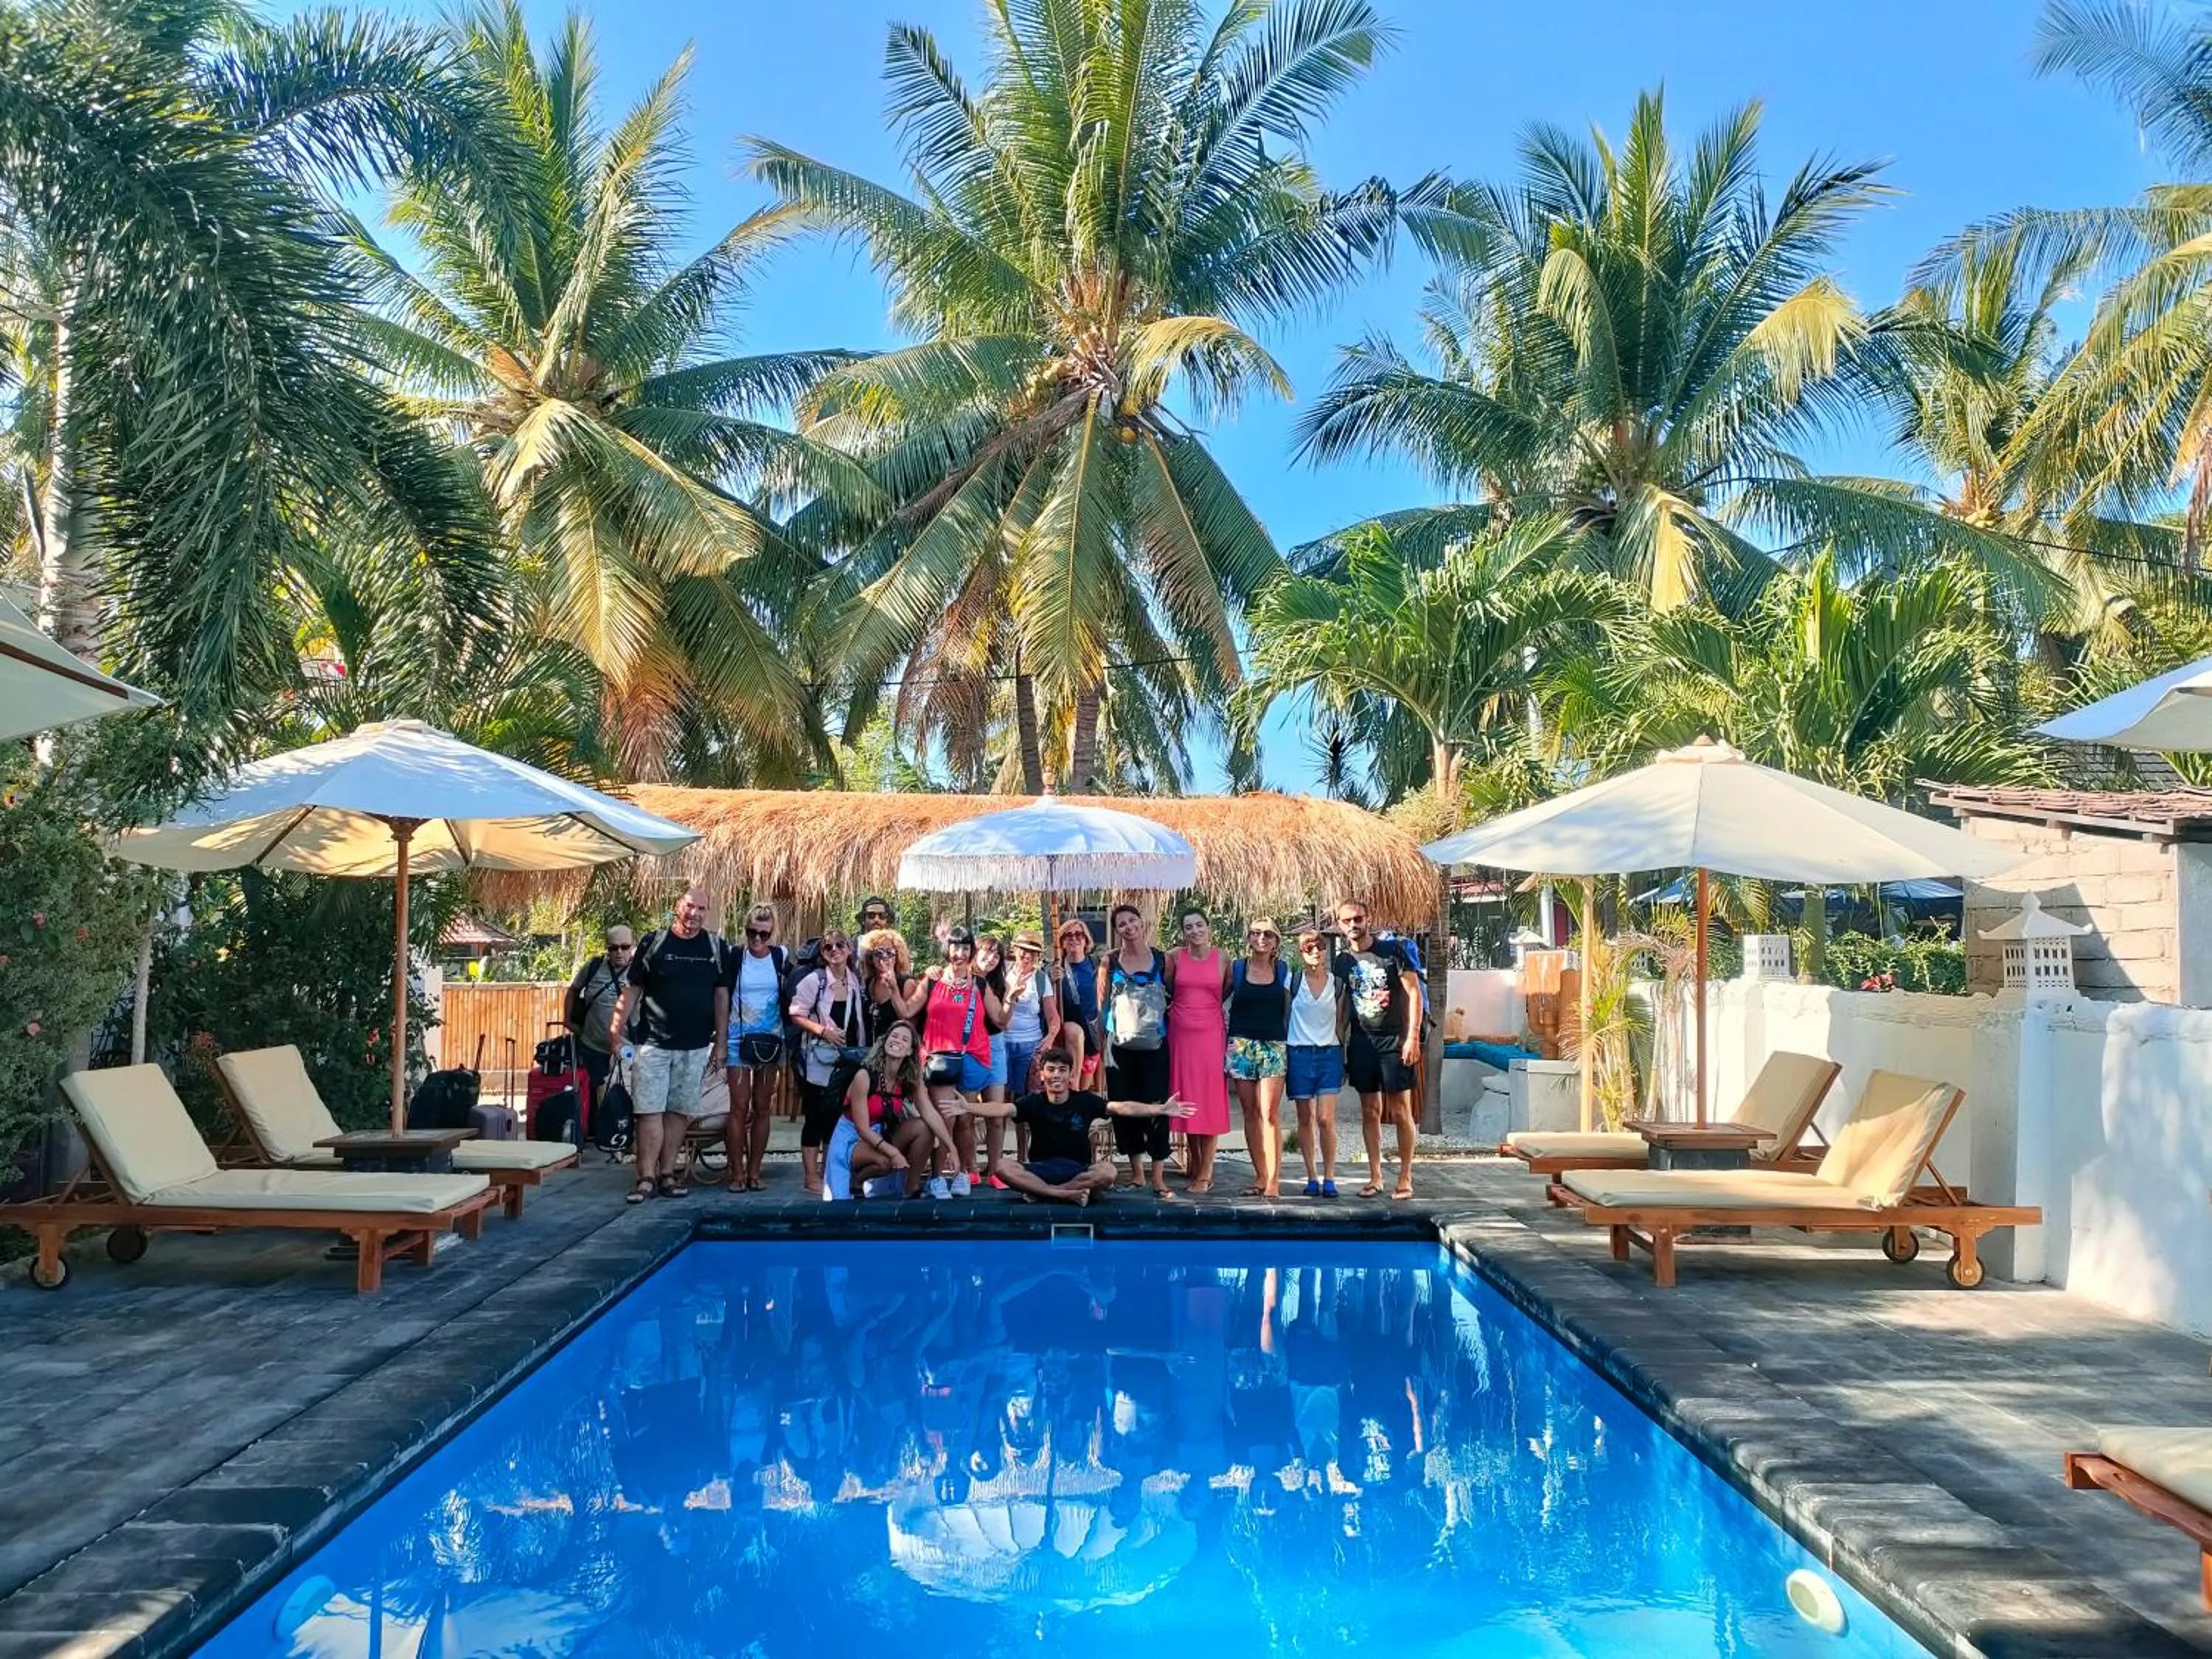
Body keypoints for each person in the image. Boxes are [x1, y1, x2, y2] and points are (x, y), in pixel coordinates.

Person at [608, 888, 727, 1203]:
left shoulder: (716, 947)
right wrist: (615, 1029)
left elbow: (721, 995)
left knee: (678, 1113)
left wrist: (722, 1043)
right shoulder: (654, 942)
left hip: (697, 1045)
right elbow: (632, 989)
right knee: (649, 1111)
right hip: (653, 1044)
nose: (695, 913)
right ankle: (645, 1177)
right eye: (690, 906)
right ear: (678, 907)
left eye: (702, 908)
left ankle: (667, 1174)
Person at [964, 1048, 1193, 1206]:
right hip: (1040, 1170)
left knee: (1108, 1172)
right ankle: (1064, 1195)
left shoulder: (1084, 1100)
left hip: (1077, 1172)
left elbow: (1122, 1107)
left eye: (1062, 1070)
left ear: (1070, 1075)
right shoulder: (1033, 1101)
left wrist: (1160, 1110)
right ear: (1042, 1075)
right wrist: (968, 1106)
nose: (1056, 1075)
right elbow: (1001, 1110)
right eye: (1051, 1069)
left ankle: (1048, 1194)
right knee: (1002, 1166)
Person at [886, 922, 998, 1196]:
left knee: (965, 1121)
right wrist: (891, 986)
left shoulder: (980, 984)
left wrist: (1014, 999)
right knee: (946, 1119)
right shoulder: (933, 979)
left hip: (972, 1057)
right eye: (955, 947)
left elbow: (1001, 1020)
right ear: (947, 949)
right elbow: (906, 1010)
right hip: (939, 1058)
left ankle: (962, 1173)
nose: (960, 953)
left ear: (971, 951)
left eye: (965, 948)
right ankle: (937, 1177)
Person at [1333, 902, 1422, 1199]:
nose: (1353, 924)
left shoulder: (1392, 951)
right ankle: (1375, 1176)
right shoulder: (1343, 960)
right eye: (1347, 920)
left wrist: (1412, 1037)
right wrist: (1340, 1041)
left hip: (1394, 1041)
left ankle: (1406, 1177)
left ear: (1368, 919)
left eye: (1358, 918)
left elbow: (1413, 993)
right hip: (1362, 1043)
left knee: (1400, 1111)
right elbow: (1344, 1002)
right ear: (1340, 924)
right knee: (1370, 1112)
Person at [1099, 903, 1172, 1196]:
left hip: (1155, 1043)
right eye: (1121, 924)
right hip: (1119, 1045)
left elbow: (1171, 996)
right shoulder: (1110, 960)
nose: (1128, 927)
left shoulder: (1163, 959)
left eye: (1132, 921)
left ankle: (1158, 1176)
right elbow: (1102, 1004)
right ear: (1116, 930)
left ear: (1141, 923)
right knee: (1123, 1106)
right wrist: (1101, 1044)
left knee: (1156, 1104)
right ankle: (1137, 1173)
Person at [826, 1022, 945, 1200]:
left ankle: (911, 1189)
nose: (898, 1041)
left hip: (879, 1133)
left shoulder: (905, 1080)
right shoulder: (864, 1076)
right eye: (894, 1036)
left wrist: (951, 1148)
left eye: (905, 1039)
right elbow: (862, 1129)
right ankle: (856, 1181)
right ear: (885, 1042)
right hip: (852, 1137)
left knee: (925, 1128)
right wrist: (895, 1152)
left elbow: (929, 1112)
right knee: (885, 1161)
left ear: (910, 1051)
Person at [788, 928, 866, 1195]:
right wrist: (823, 1031)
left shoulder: (855, 980)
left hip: (846, 1060)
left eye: (840, 945)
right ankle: (810, 1175)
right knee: (815, 1117)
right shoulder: (814, 981)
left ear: (849, 949)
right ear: (822, 953)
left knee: (836, 1117)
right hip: (818, 1061)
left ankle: (827, 1171)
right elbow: (796, 1014)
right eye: (828, 947)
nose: (835, 950)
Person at [723, 903, 788, 1192]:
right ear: (745, 930)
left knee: (763, 1107)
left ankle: (754, 1172)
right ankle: (736, 1173)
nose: (758, 940)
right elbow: (721, 996)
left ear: (772, 933)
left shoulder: (781, 956)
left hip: (771, 1041)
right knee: (738, 1107)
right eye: (753, 933)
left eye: (764, 934)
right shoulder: (735, 957)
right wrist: (720, 1041)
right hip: (738, 1039)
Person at [1166, 909, 1231, 1194]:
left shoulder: (1223, 958)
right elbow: (1168, 986)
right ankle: (1195, 1161)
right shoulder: (1174, 957)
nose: (1195, 931)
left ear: (1209, 927)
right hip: (1180, 1036)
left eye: (1199, 925)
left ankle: (1206, 1172)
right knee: (1187, 1097)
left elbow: (1225, 990)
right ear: (1183, 932)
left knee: (1210, 1099)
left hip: (1210, 1035)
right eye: (1189, 926)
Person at [1226, 918, 1292, 1197]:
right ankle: (1260, 1176)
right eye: (1255, 933)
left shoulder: (1283, 970)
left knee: (1269, 1113)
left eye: (1267, 934)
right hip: (1241, 1045)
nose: (1261, 938)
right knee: (1250, 1113)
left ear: (1276, 942)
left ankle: (1274, 1181)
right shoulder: (1237, 969)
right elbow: (1214, 998)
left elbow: (1291, 1009)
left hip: (1273, 1046)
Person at [1287, 928, 1345, 1197]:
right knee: (1305, 1117)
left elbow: (1343, 1022)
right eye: (1308, 947)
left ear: (1325, 949)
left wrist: (1344, 1055)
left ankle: (1330, 1177)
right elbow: (1284, 1016)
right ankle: (1312, 1176)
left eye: (1319, 946)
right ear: (1301, 952)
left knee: (1325, 1118)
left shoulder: (1338, 983)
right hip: (1298, 1053)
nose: (1314, 951)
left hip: (1328, 1054)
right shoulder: (1292, 981)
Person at [562, 924, 633, 1113]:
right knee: (592, 1100)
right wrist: (567, 1020)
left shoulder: (641, 973)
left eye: (625, 947)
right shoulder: (594, 967)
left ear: (632, 947)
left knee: (626, 1098)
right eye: (613, 948)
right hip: (593, 1046)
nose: (619, 952)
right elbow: (573, 990)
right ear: (607, 949)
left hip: (627, 1048)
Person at [1055, 919, 1102, 1079]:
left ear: (1086, 940)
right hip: (1066, 1035)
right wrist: (1052, 979)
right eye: (1068, 935)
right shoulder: (1054, 968)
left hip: (1093, 1031)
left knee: (1085, 1088)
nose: (1073, 938)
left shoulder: (1097, 964)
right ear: (1061, 942)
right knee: (1071, 1082)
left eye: (1078, 935)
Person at [858, 926, 912, 1042]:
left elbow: (909, 1025)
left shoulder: (907, 984)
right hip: (869, 1051)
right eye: (878, 953)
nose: (884, 957)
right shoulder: (869, 982)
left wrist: (893, 987)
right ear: (871, 958)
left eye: (890, 952)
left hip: (895, 1051)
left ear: (898, 956)